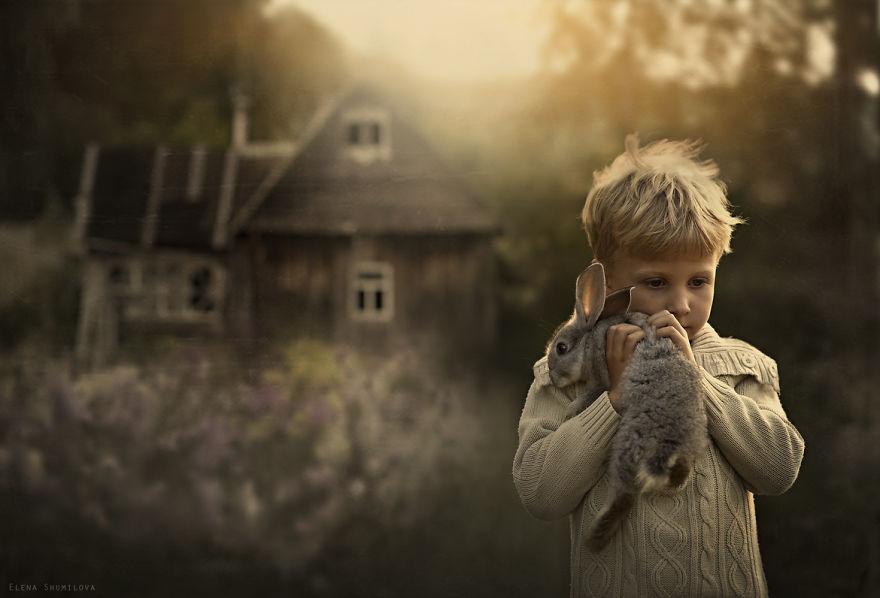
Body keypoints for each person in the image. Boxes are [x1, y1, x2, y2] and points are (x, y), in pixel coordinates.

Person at [512, 135, 805, 597]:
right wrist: (612, 403)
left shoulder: (741, 366)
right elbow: (541, 494)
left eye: (698, 281)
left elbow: (779, 468)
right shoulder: (568, 372)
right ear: (605, 280)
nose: (681, 303)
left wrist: (696, 381)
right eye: (655, 282)